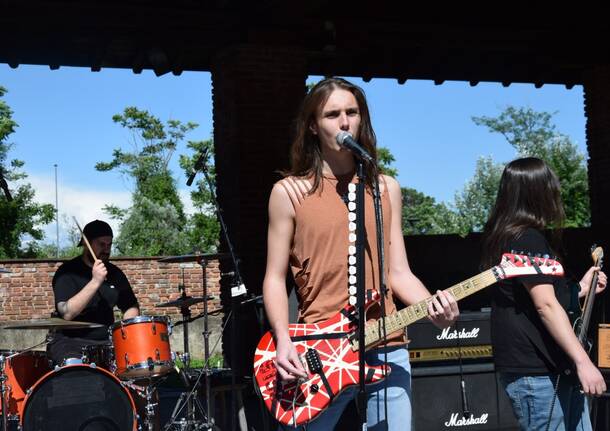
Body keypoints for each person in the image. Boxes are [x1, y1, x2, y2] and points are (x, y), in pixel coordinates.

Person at [262, 77, 459, 431]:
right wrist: (283, 340)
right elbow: (274, 278)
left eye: (352, 112)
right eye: (332, 114)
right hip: (319, 351)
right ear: (312, 125)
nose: (344, 122)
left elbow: (398, 272)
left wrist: (435, 308)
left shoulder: (385, 188)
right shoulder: (288, 193)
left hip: (387, 344)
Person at [481, 157, 607, 431]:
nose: (556, 192)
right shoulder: (526, 239)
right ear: (537, 192)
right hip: (537, 374)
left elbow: (538, 298)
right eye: (551, 185)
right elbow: (546, 306)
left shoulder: (510, 236)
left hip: (548, 370)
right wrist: (584, 362)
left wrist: (582, 288)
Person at [48, 219, 140, 365]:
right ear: (86, 244)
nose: (106, 249)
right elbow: (67, 312)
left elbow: (130, 306)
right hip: (71, 343)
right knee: (77, 372)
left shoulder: (115, 273)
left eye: (109, 244)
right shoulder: (67, 272)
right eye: (101, 244)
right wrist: (95, 281)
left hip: (106, 344)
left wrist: (126, 333)